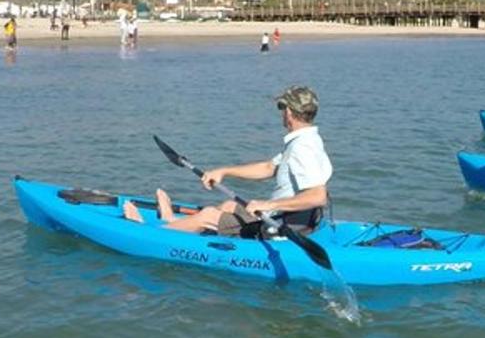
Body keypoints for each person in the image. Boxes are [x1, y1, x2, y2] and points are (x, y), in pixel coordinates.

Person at [123, 86, 332, 237]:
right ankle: (171, 220)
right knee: (230, 205)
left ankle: (150, 234)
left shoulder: (302, 148)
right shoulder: (306, 140)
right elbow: (269, 167)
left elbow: (317, 196)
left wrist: (268, 204)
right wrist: (224, 171)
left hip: (281, 228)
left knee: (208, 215)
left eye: (282, 108)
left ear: (288, 113)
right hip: (287, 217)